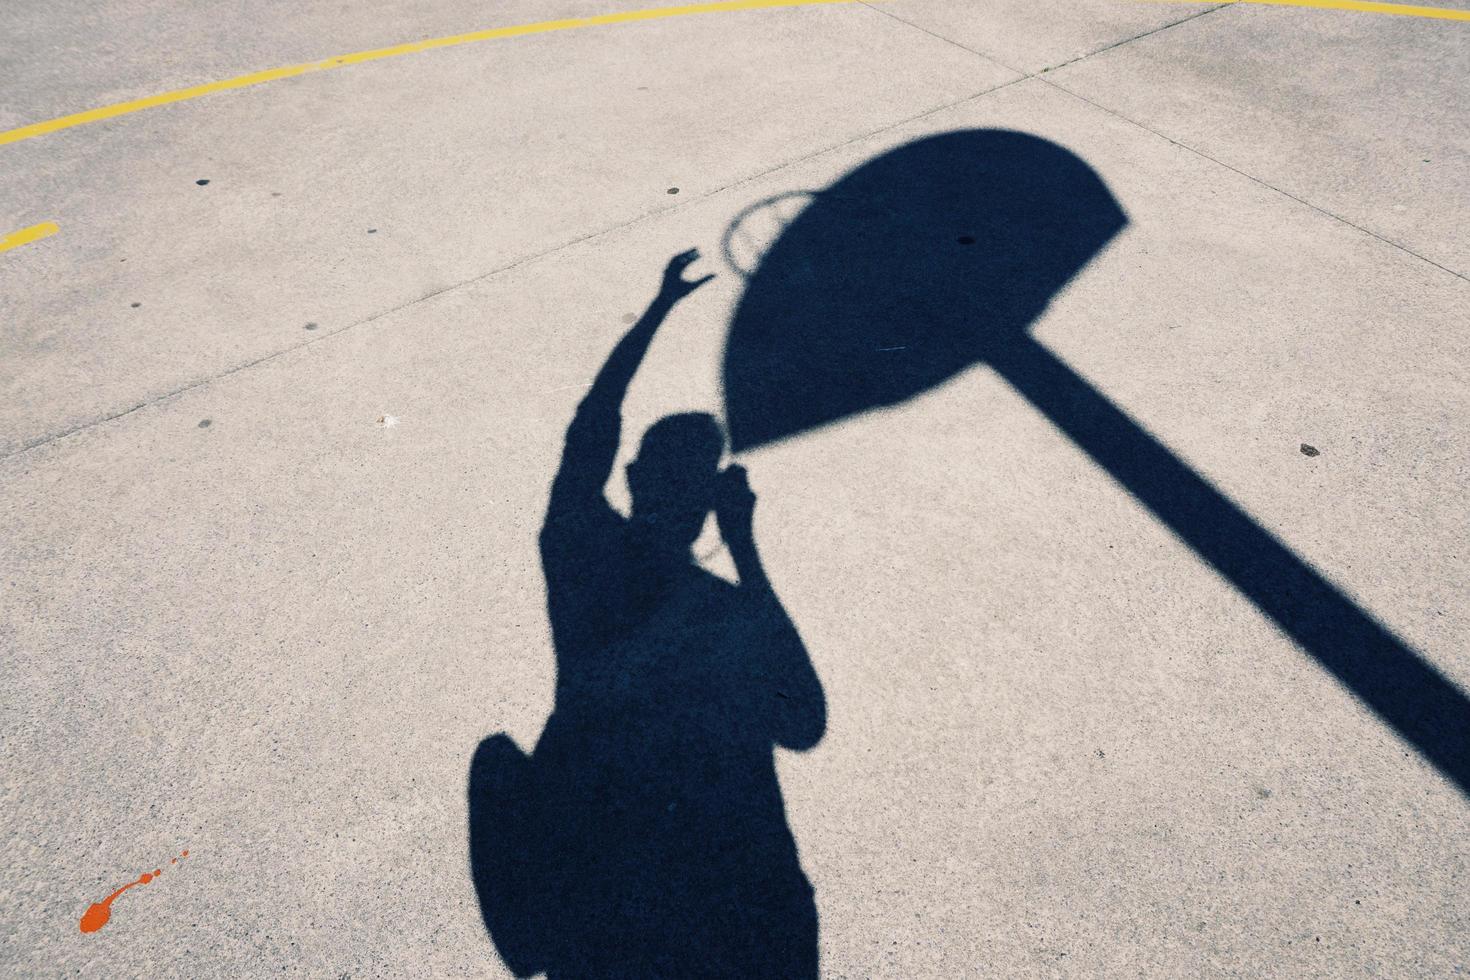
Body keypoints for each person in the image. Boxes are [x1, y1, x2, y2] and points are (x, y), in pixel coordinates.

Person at [469, 250, 825, 979]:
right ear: (708, 511)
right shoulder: (722, 607)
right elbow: (803, 724)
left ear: (631, 477)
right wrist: (748, 549)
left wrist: (658, 310)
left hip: (610, 894)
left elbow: (591, 424)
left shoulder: (575, 546)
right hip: (744, 904)